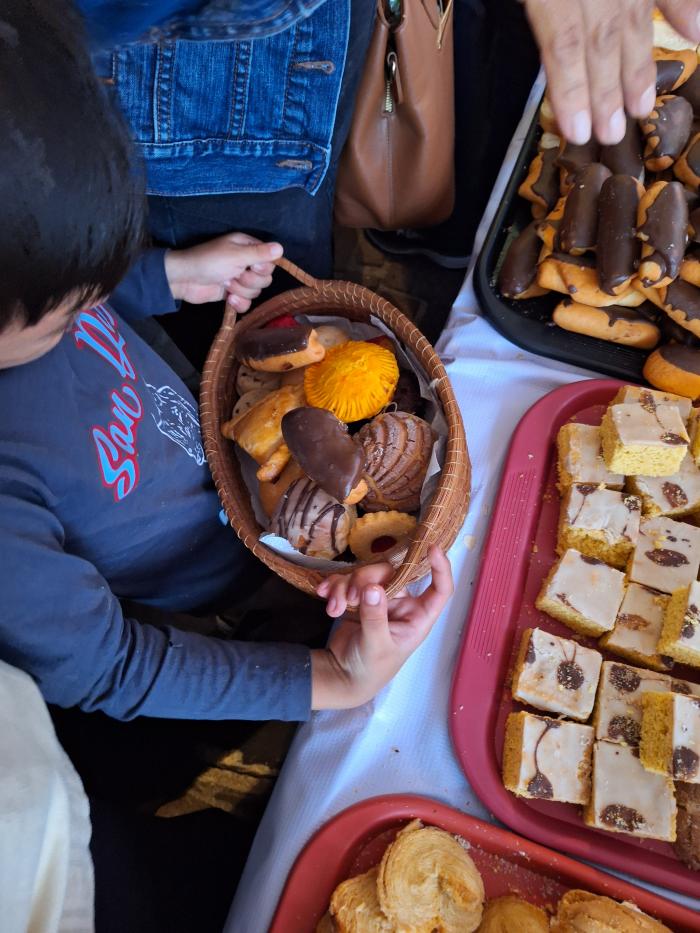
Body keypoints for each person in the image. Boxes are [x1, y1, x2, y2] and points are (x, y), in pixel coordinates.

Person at [0, 0, 452, 729]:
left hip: (231, 505)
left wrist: (170, 275)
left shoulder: (30, 277)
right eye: (63, 315)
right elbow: (113, 665)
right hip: (197, 612)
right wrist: (333, 680)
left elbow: (81, 283)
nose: (88, 309)